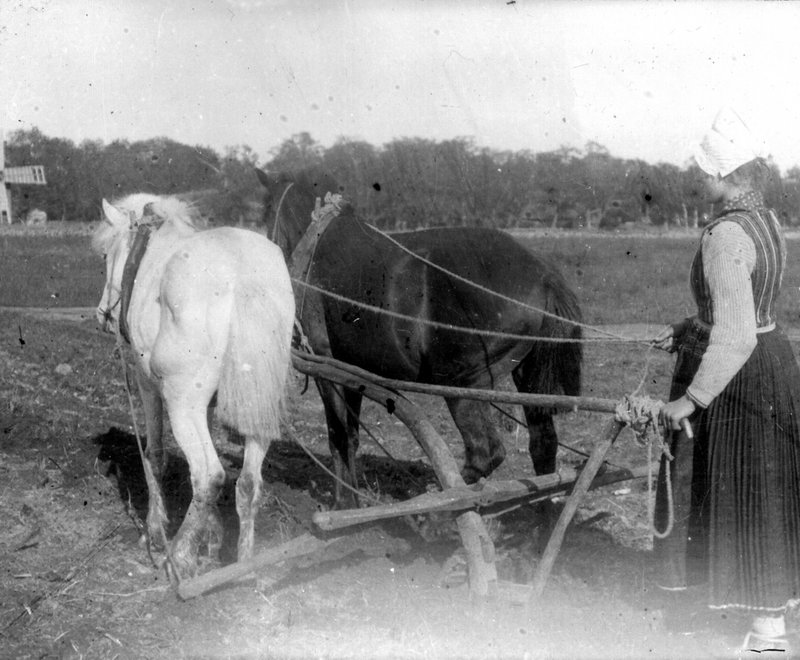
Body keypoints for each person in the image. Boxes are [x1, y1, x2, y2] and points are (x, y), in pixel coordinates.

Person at [652, 107, 800, 654]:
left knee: (745, 494)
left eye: (702, 170)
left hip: (740, 374)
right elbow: (746, 307)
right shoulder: (765, 220)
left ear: (723, 173)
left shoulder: (724, 236)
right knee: (765, 491)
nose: (697, 177)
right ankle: (760, 615)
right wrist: (686, 326)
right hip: (772, 359)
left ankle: (767, 638)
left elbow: (735, 334)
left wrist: (690, 399)